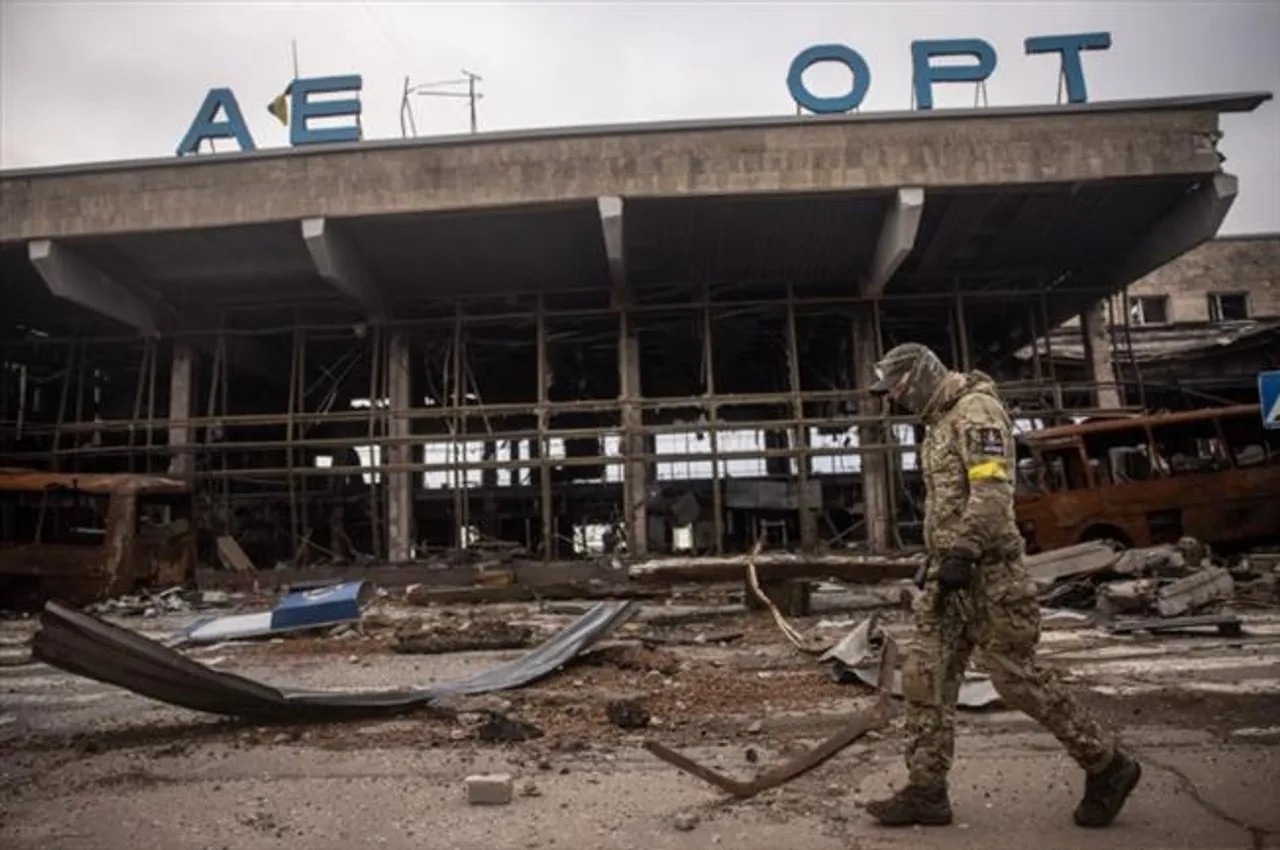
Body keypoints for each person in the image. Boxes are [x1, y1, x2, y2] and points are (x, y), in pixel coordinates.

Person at [863, 342, 1141, 828]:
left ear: (924, 375)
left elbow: (992, 490)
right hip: (951, 576)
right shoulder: (937, 425)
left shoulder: (977, 412)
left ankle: (1108, 764)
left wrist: (965, 549)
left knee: (1016, 680)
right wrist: (938, 558)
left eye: (899, 390)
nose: (895, 401)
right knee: (925, 676)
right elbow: (950, 503)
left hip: (990, 575)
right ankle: (927, 790)